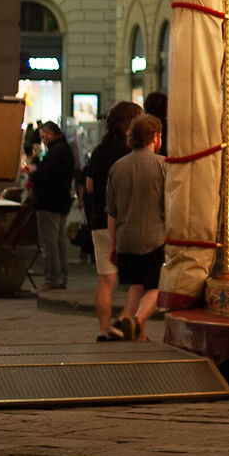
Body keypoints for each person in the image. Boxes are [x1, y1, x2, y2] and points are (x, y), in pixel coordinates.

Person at [106, 113, 168, 342]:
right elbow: (170, 205)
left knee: (136, 286)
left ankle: (137, 337)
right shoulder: (163, 166)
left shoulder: (117, 168)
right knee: (156, 288)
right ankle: (136, 322)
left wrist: (113, 244)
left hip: (125, 239)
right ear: (154, 136)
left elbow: (111, 212)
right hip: (154, 238)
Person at [81, 101, 140, 342]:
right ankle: (123, 323)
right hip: (125, 222)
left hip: (99, 221)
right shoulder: (131, 151)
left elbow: (89, 186)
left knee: (105, 281)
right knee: (139, 280)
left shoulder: (99, 150)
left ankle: (104, 330)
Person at [27, 120, 76, 291]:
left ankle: (53, 279)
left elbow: (46, 175)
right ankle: (61, 278)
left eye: (45, 134)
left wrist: (33, 173)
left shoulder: (56, 151)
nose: (43, 138)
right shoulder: (64, 149)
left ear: (52, 133)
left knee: (50, 244)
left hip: (49, 202)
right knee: (59, 242)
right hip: (61, 201)